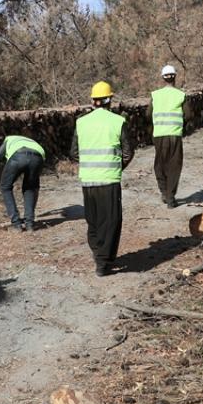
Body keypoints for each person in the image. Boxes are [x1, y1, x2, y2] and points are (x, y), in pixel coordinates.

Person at [71, 81, 134, 276]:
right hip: (109, 180)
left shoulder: (81, 122)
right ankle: (103, 261)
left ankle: (98, 253)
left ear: (93, 100)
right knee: (111, 220)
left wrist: (91, 165)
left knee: (94, 220)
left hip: (88, 180)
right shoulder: (118, 121)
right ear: (110, 100)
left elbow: (73, 152)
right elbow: (128, 152)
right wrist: (115, 167)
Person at [0, 134, 46, 231]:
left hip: (18, 156)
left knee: (5, 187)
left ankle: (16, 224)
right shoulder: (31, 142)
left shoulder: (8, 139)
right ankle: (29, 224)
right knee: (30, 188)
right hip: (38, 158)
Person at [149, 64, 189, 208]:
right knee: (174, 166)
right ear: (175, 77)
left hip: (159, 135)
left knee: (159, 165)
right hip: (175, 135)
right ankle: (171, 198)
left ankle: (164, 192)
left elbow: (148, 114)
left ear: (163, 78)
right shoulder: (181, 95)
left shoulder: (155, 95)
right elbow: (189, 114)